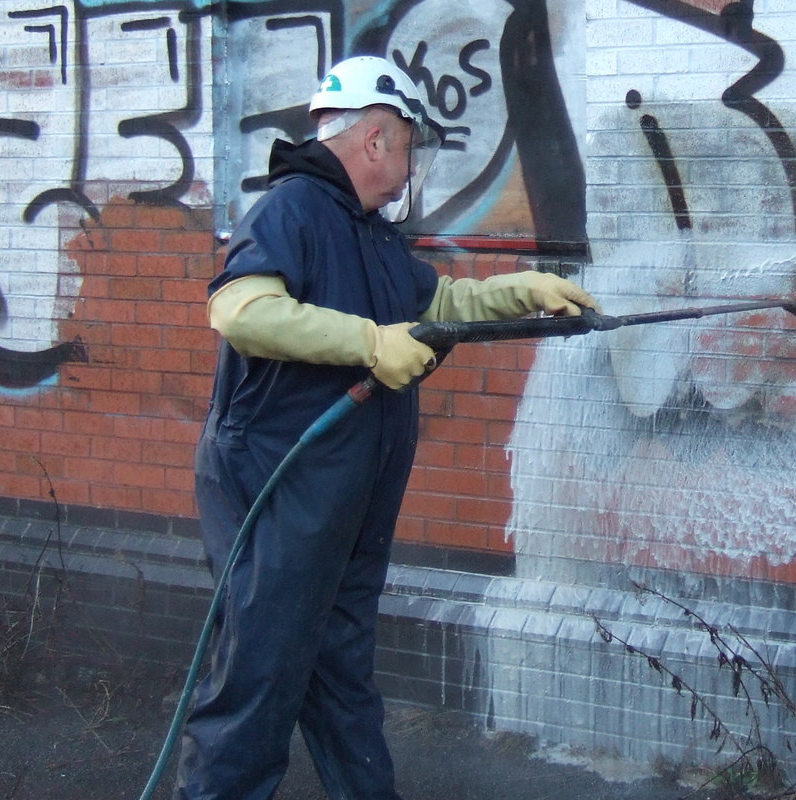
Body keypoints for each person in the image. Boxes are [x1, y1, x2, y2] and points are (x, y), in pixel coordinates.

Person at [178, 56, 597, 800]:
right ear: (375, 138)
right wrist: (371, 344)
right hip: (277, 487)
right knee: (261, 674)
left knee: (340, 668)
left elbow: (443, 308)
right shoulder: (294, 209)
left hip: (340, 495)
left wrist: (525, 291)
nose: (409, 168)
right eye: (408, 145)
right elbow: (239, 311)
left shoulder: (369, 234)